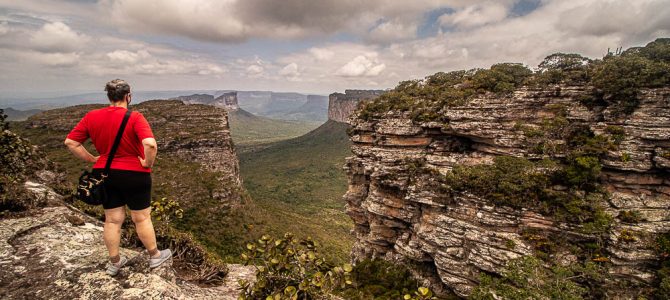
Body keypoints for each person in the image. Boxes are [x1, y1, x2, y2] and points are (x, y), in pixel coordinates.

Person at [64, 79, 171, 276]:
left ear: (108, 97)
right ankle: (155, 256)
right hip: (134, 174)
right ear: (128, 96)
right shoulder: (135, 117)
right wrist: (147, 163)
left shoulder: (91, 116)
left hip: (104, 173)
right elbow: (150, 144)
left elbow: (71, 142)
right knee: (141, 218)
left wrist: (93, 159)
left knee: (112, 220)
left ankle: (114, 262)